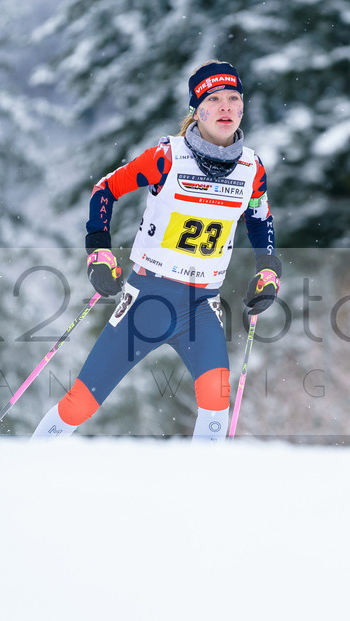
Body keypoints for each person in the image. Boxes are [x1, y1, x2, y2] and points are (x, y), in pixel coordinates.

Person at [32, 60, 280, 441]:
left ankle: (202, 492)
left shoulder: (251, 168)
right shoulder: (167, 156)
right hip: (148, 298)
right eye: (215, 99)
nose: (227, 107)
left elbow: (260, 217)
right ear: (199, 110)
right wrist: (99, 251)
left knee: (216, 404)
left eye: (234, 98)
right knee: (80, 403)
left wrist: (268, 269)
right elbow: (105, 189)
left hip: (202, 305)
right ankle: (29, 463)